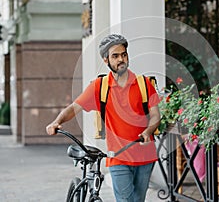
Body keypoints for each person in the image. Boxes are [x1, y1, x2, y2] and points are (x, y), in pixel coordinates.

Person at [46, 34, 161, 202]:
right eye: (115, 56)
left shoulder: (144, 84)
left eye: (124, 54)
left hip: (145, 157)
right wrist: (57, 122)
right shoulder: (99, 87)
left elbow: (155, 115)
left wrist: (148, 131)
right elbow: (74, 108)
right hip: (118, 157)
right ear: (106, 60)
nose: (121, 59)